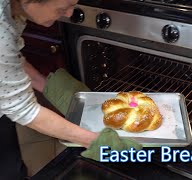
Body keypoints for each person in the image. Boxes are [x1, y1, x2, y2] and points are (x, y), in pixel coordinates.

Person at [0, 0, 141, 179]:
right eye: (62, 8)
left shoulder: (14, 9)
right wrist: (93, 140)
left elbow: (11, 60)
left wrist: (51, 87)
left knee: (12, 167)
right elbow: (25, 111)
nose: (69, 14)